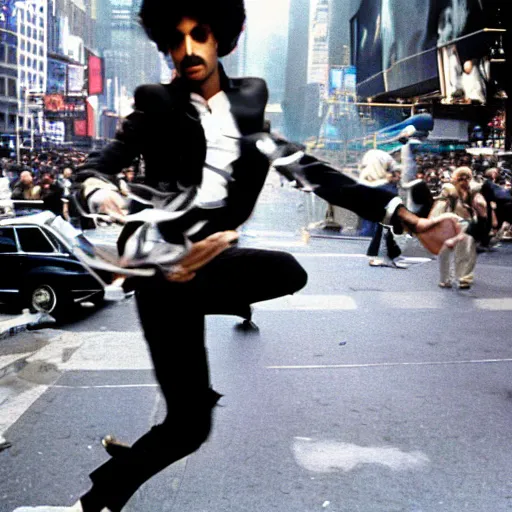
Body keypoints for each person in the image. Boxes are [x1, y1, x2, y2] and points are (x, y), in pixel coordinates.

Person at [13, 1, 459, 511]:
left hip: (207, 267)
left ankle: (192, 273)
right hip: (158, 271)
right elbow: (97, 166)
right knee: (189, 427)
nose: (187, 51)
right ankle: (88, 507)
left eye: (198, 34)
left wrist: (411, 220)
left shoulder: (251, 117)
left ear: (222, 37)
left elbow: (316, 172)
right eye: (175, 40)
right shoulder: (155, 107)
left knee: (288, 270)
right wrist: (101, 193)